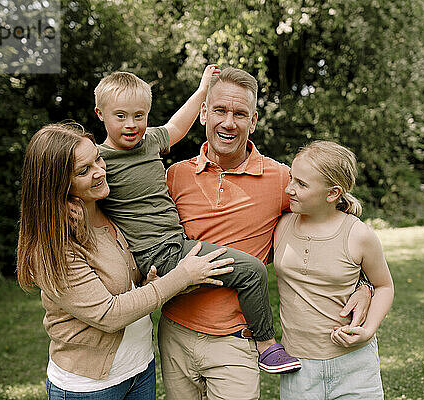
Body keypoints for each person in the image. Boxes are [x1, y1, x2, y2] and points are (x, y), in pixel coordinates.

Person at [159, 67, 373, 400]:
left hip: (238, 339)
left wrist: (364, 284)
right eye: (220, 110)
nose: (229, 122)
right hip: (175, 333)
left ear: (254, 120)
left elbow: (334, 226)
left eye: (240, 114)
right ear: (203, 113)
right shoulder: (175, 176)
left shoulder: (280, 179)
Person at [93, 65, 301, 372]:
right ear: (101, 114)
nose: (131, 124)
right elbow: (81, 196)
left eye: (139, 116)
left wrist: (204, 86)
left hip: (188, 266)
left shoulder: (149, 143)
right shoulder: (100, 162)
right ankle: (268, 345)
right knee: (253, 270)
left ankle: (262, 344)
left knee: (250, 270)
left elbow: (177, 126)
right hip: (164, 258)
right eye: (120, 116)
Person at [16, 122, 235, 400]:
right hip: (92, 387)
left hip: (139, 369)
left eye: (97, 158)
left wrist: (147, 283)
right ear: (57, 184)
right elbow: (108, 315)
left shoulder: (107, 210)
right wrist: (181, 277)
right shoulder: (56, 246)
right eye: (84, 171)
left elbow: (120, 284)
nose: (100, 172)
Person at [275, 141, 394, 399]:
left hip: (354, 366)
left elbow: (384, 286)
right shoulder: (281, 225)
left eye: (301, 184)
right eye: (291, 178)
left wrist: (368, 329)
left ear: (332, 193)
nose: (289, 189)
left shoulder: (358, 234)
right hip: (298, 367)